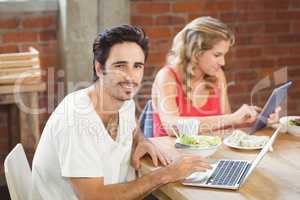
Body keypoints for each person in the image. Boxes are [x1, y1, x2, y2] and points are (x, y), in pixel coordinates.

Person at [31, 25, 212, 200]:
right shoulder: (77, 118)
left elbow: (132, 127)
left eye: (137, 66)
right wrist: (166, 174)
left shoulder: (123, 102)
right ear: (100, 68)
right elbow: (93, 196)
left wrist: (142, 140)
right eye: (120, 66)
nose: (130, 76)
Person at [151, 16, 280, 137]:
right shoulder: (167, 76)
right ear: (196, 52)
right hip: (173, 156)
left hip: (210, 155)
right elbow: (172, 127)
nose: (223, 62)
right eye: (217, 55)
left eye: (224, 55)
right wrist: (232, 118)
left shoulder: (217, 75)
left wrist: (258, 121)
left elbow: (226, 127)